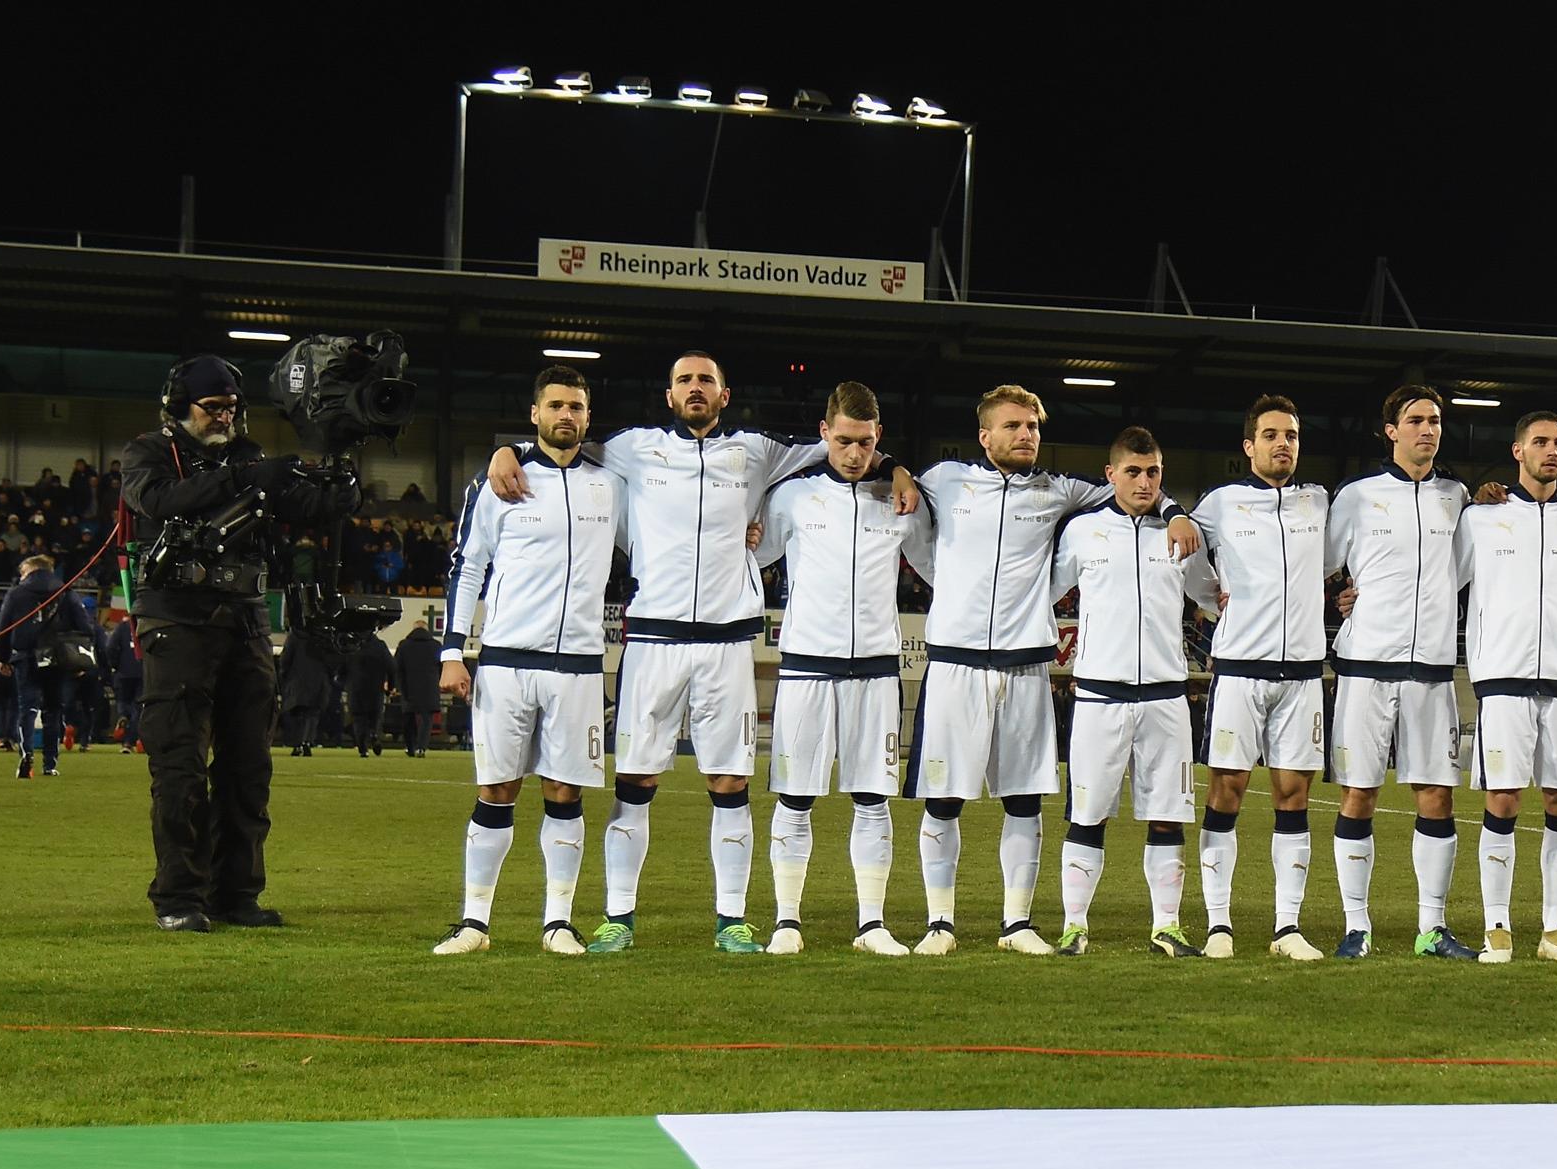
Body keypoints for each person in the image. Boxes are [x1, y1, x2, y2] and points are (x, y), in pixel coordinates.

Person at [488, 350, 908, 953]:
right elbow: (561, 444)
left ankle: (732, 918)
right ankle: (618, 917)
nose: (695, 389)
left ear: (724, 394)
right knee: (636, 779)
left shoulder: (758, 451)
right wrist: (507, 451)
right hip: (653, 640)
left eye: (706, 381)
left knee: (729, 781)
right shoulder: (632, 447)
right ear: (668, 395)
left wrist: (893, 468)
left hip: (728, 642)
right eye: (684, 380)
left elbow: (845, 448)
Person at [912, 384, 1174, 954]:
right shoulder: (943, 479)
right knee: (944, 799)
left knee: (1025, 800)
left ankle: (1017, 924)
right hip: (955, 663)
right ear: (985, 436)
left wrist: (1173, 508)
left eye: (1031, 426)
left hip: (1027, 665)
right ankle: (939, 923)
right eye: (1012, 426)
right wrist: (896, 470)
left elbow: (1134, 484)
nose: (1025, 435)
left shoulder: (1061, 492)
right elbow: (888, 482)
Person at [120, 353, 360, 931]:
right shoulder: (148, 453)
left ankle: (237, 894)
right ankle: (179, 897)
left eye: (232, 406)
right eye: (213, 407)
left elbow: (301, 504)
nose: (225, 416)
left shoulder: (247, 457)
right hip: (176, 622)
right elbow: (157, 501)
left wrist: (341, 477)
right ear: (179, 407)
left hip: (246, 621)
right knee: (179, 766)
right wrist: (244, 477)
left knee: (248, 766)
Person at [434, 366, 619, 956]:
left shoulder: (612, 483)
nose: (567, 415)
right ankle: (474, 923)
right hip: (507, 660)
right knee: (497, 789)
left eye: (577, 407)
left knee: (565, 792)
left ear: (588, 418)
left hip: (580, 665)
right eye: (557, 405)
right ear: (535, 414)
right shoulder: (497, 483)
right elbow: (466, 568)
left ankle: (558, 922)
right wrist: (452, 652)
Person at [755, 382, 934, 956]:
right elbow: (751, 554)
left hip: (878, 671)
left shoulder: (901, 500)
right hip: (806, 665)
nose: (854, 453)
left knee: (872, 798)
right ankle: (787, 920)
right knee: (795, 797)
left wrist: (899, 471)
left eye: (864, 442)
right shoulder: (793, 497)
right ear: (824, 436)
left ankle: (871, 924)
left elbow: (939, 567)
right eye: (843, 441)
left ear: (878, 438)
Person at [1327, 384, 1480, 961]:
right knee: (1358, 794)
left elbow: (1463, 568)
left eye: (1435, 421)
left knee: (1436, 796)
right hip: (1366, 664)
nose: (1428, 430)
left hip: (1434, 669)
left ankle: (1432, 929)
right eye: (1415, 420)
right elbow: (1320, 562)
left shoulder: (1457, 496)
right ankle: (1356, 927)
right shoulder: (1358, 496)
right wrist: (1347, 596)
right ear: (1390, 431)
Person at [1053, 426, 1217, 956]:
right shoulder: (1081, 531)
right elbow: (1041, 592)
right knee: (1088, 814)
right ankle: (1075, 927)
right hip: (1100, 695)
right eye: (1133, 472)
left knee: (1167, 814)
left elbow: (1215, 596)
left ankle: (1166, 926)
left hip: (1167, 697)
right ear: (1111, 475)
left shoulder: (1182, 537)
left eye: (1153, 473)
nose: (1144, 481)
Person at [1462, 412, 1557, 962]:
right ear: (1518, 450)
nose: (1552, 451)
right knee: (1503, 798)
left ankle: (1555, 931)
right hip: (1502, 676)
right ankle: (1496, 928)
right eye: (1541, 442)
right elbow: (1434, 576)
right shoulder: (1483, 517)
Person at [1190, 395, 1332, 960]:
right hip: (1240, 672)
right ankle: (1219, 925)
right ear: (1248, 446)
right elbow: (1181, 549)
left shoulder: (1318, 502)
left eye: (1292, 435)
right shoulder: (1220, 505)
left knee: (1293, 795)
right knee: (1228, 789)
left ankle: (1287, 928)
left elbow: (1343, 560)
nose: (1283, 444)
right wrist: (1209, 598)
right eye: (1271, 435)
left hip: (1301, 674)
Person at [0, 552, 94, 777]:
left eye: (22, 573)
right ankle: (50, 763)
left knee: (27, 708)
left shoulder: (16, 594)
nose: (20, 577)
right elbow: (85, 627)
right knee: (53, 709)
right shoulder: (66, 592)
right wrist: (80, 659)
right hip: (57, 658)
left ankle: (26, 754)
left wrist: (2, 658)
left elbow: (3, 629)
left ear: (30, 570)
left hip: (25, 656)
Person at [277, 633, 331, 757]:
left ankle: (298, 744)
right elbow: (331, 659)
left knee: (297, 715)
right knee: (312, 715)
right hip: (317, 681)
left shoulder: (295, 637)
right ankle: (307, 741)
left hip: (298, 681)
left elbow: (285, 659)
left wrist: (283, 675)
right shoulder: (322, 636)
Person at [394, 619, 442, 755]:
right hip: (429, 687)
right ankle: (421, 747)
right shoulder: (436, 645)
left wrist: (397, 685)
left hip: (408, 686)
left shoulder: (403, 645)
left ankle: (410, 747)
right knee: (427, 720)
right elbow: (441, 667)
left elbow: (397, 667)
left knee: (409, 718)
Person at [346, 627, 393, 756]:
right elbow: (391, 667)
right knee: (374, 717)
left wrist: (344, 683)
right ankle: (373, 733)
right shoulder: (380, 646)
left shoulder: (351, 646)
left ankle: (362, 748)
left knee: (358, 719)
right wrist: (390, 687)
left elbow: (342, 666)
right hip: (375, 688)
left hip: (356, 688)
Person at [105, 612, 143, 749]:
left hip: (124, 672)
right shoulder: (146, 626)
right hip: (142, 671)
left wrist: (115, 665)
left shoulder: (122, 627)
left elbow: (110, 648)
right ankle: (131, 741)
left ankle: (123, 715)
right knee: (138, 707)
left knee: (123, 702)